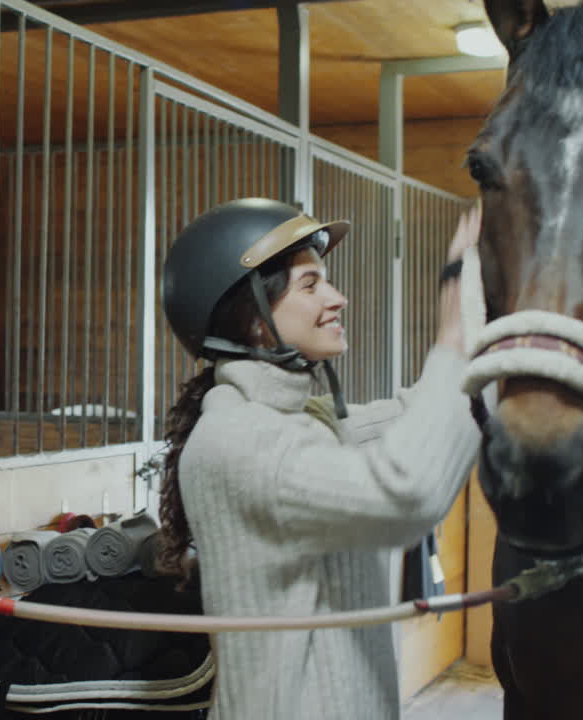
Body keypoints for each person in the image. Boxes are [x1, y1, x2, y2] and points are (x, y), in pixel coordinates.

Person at [156, 197, 483, 719]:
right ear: (253, 319)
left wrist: (487, 362)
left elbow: (402, 419)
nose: (338, 298)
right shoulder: (243, 441)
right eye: (311, 286)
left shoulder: (294, 423)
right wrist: (453, 343)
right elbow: (406, 492)